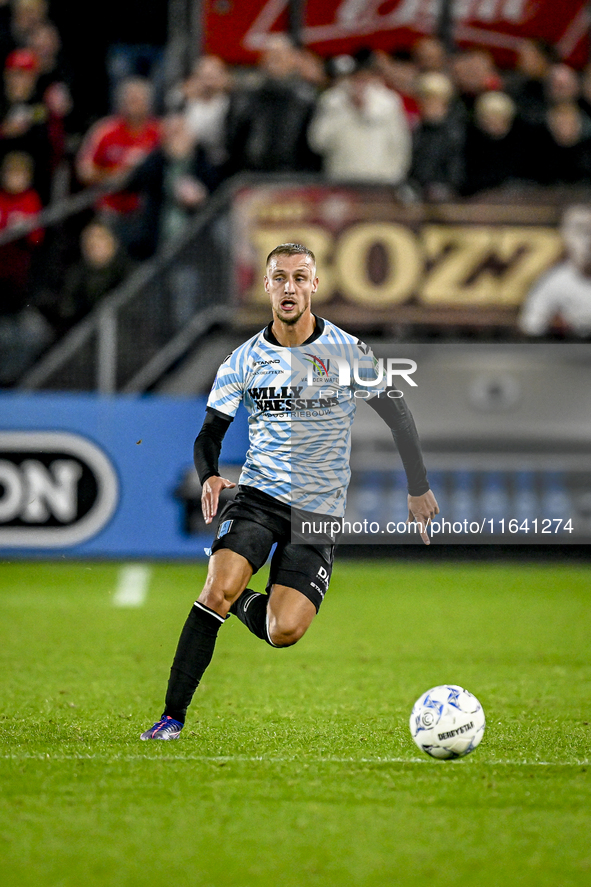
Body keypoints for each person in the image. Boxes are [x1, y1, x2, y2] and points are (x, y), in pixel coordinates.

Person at [140, 242, 439, 740]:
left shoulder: (346, 352)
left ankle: (238, 600)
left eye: (300, 278)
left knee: (284, 631)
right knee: (214, 590)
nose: (289, 288)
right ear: (266, 286)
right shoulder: (243, 359)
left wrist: (418, 487)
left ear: (315, 286)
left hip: (319, 508)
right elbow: (209, 433)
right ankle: (172, 717)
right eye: (280, 277)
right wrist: (211, 474)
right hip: (259, 496)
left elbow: (398, 414)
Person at [308, 52, 411, 185]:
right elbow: (317, 142)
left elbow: (400, 145)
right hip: (340, 179)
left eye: (364, 78)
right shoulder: (331, 101)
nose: (360, 84)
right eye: (355, 78)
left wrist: (395, 178)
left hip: (381, 181)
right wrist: (347, 110)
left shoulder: (389, 102)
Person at [519, 204, 591, 338]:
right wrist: (554, 327)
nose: (588, 242)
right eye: (583, 232)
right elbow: (531, 325)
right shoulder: (554, 281)